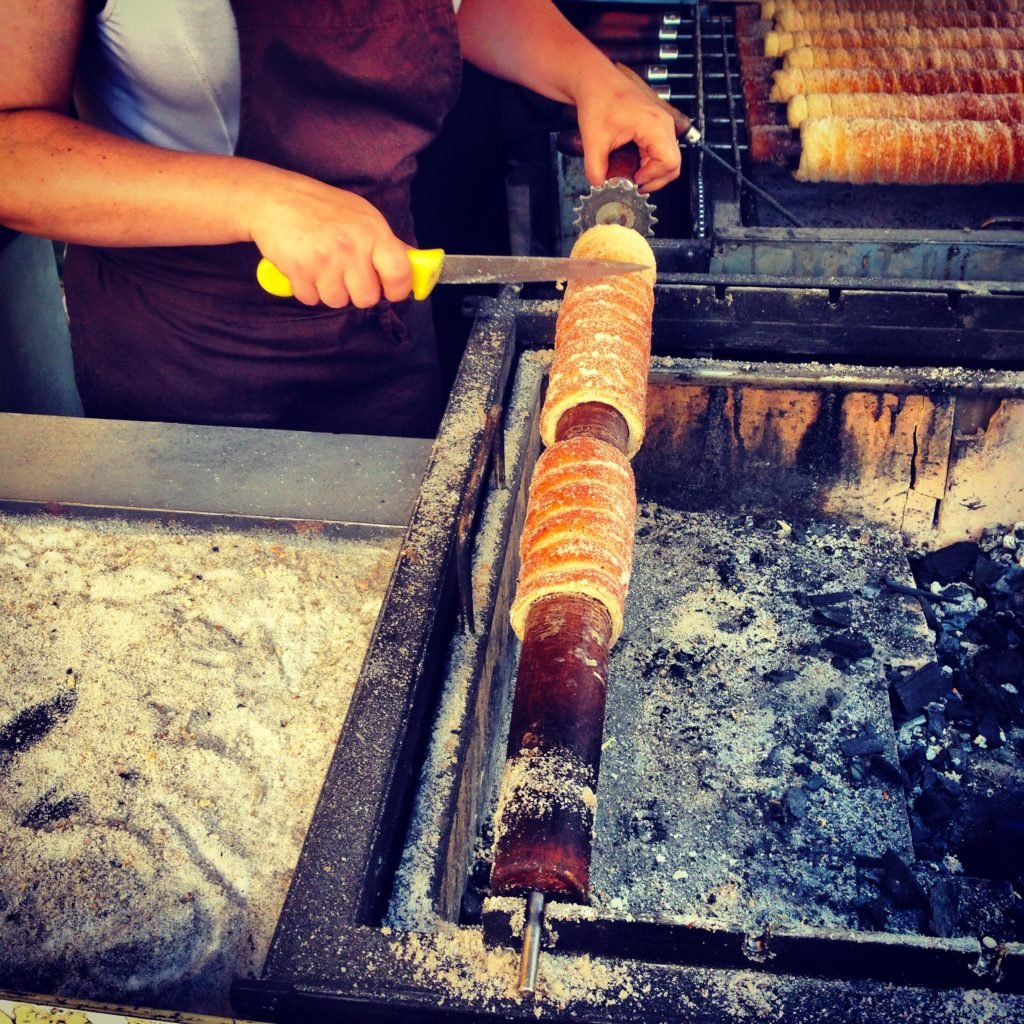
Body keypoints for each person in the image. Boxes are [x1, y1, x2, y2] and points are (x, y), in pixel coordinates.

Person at [0, 0, 681, 437]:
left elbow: (462, 6)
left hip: (382, 320)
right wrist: (258, 199)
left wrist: (588, 75)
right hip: (187, 362)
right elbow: (12, 151)